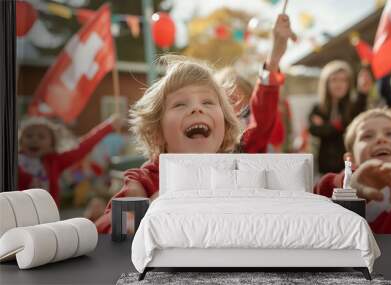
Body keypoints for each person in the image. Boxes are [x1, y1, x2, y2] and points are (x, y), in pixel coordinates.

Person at [95, 13, 296, 233]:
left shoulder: (238, 165)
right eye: (180, 104)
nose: (196, 108)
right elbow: (105, 229)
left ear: (227, 126)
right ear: (157, 132)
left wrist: (274, 58)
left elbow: (263, 120)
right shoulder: (142, 181)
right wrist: (148, 211)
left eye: (208, 102)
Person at [315, 108, 391, 233]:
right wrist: (349, 188)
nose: (381, 139)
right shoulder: (339, 184)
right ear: (351, 158)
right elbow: (323, 189)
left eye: (390, 133)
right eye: (367, 136)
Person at [18, 114, 123, 206]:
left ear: (52, 144)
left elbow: (82, 147)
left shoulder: (55, 161)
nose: (34, 140)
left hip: (46, 216)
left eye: (41, 137)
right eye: (29, 136)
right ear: (21, 141)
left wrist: (108, 126)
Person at [308, 60, 371, 174]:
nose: (339, 84)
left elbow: (357, 123)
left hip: (349, 167)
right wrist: (340, 125)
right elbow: (314, 130)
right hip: (325, 167)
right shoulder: (318, 108)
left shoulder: (353, 106)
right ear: (326, 83)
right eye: (334, 80)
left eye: (344, 80)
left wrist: (328, 126)